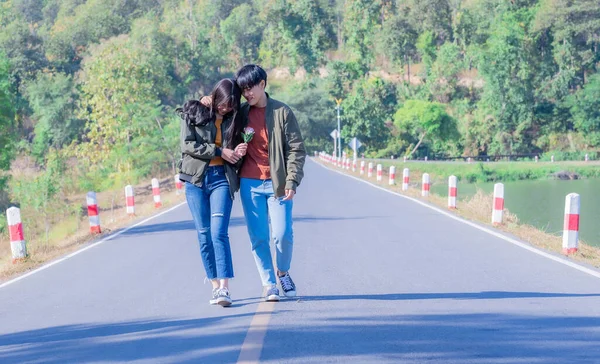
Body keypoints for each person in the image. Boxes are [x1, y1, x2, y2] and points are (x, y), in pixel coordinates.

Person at [204, 65, 306, 301]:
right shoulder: (239, 113)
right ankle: (269, 283)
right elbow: (216, 114)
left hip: (278, 183)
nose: (247, 93)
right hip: (249, 183)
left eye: (251, 88)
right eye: (244, 89)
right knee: (258, 237)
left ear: (263, 84)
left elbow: (296, 149)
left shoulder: (282, 112)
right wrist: (207, 100)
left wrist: (292, 179)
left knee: (282, 234)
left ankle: (283, 272)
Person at [176, 78, 247, 307]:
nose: (225, 109)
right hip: (195, 181)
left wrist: (236, 151)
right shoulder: (195, 110)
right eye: (222, 103)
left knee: (219, 233)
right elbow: (187, 145)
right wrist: (219, 150)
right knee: (204, 234)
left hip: (221, 179)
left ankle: (225, 289)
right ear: (215, 95)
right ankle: (215, 286)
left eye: (230, 105)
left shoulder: (234, 120)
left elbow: (233, 151)